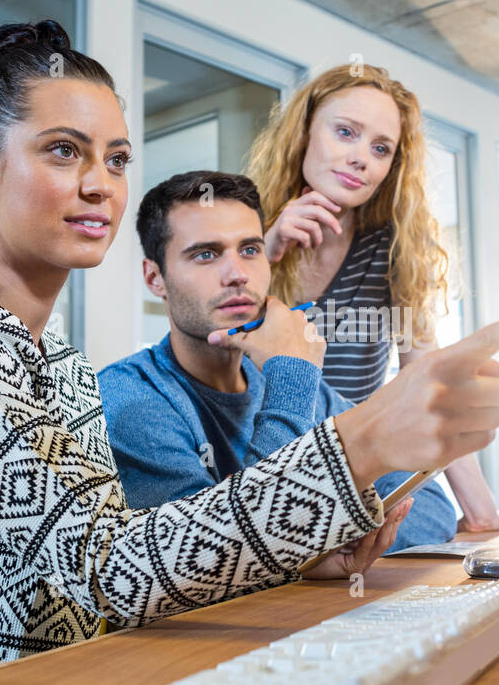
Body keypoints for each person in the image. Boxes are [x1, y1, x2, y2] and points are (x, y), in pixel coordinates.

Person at [0, 20, 499, 662]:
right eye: (64, 152)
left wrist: (304, 560)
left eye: (118, 159)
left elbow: (124, 560)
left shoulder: (58, 363)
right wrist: (363, 437)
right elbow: (115, 573)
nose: (100, 184)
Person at [97, 169, 457, 552]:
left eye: (250, 250)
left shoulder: (303, 389)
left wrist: (303, 543)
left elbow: (430, 510)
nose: (237, 275)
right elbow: (219, 557)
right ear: (155, 279)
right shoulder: (128, 398)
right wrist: (292, 376)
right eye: (206, 254)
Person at [246, 64, 499, 534]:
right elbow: (205, 345)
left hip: (357, 458)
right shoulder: (246, 226)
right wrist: (264, 252)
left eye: (380, 148)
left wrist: (481, 511)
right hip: (260, 451)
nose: (361, 158)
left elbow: (429, 378)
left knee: (427, 521)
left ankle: (314, 548)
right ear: (304, 133)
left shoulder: (393, 247)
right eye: (345, 132)